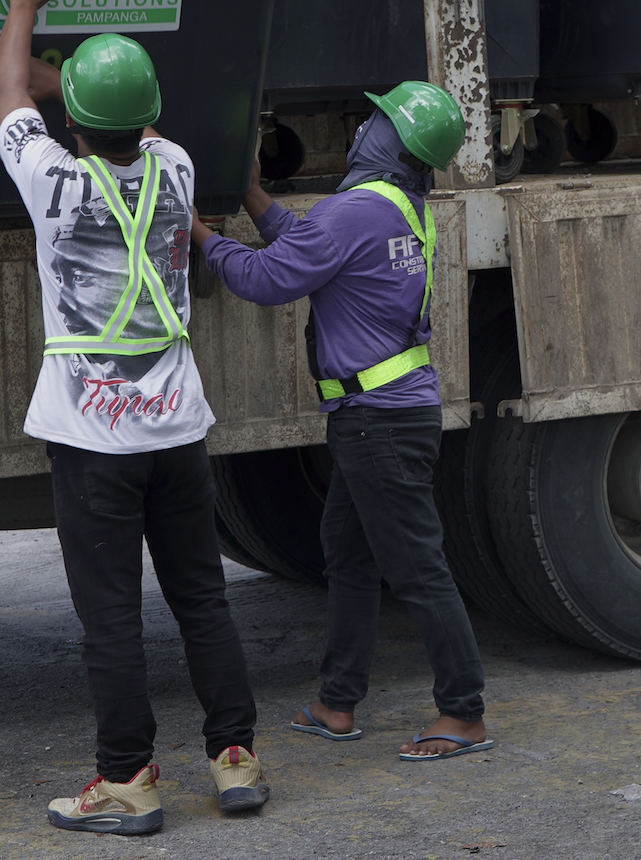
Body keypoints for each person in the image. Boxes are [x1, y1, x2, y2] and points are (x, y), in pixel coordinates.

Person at [0, 0, 265, 836]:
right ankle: (234, 760)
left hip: (93, 439)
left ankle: (127, 782)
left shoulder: (53, 182)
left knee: (110, 619)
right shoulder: (179, 169)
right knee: (202, 600)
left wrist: (23, 3)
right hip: (179, 429)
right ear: (150, 116)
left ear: (70, 123)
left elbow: (8, 94)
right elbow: (132, 121)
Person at [192, 83, 493, 762]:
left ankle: (464, 711)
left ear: (392, 139)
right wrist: (252, 197)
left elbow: (270, 279)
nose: (362, 127)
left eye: (375, 119)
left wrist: (199, 235)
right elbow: (309, 243)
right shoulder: (396, 206)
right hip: (387, 412)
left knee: (416, 568)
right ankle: (336, 701)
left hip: (376, 422)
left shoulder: (358, 210)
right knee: (350, 557)